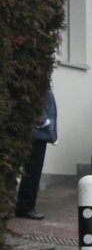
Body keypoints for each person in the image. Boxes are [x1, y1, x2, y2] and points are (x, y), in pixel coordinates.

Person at [15, 88, 58, 220]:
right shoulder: (37, 79)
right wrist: (46, 123)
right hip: (36, 133)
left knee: (32, 171)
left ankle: (25, 205)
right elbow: (33, 104)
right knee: (32, 171)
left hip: (39, 133)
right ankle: (26, 207)